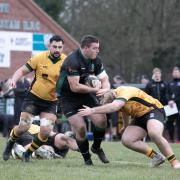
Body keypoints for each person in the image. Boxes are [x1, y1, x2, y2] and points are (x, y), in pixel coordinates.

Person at [78, 86, 180, 169]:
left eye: (110, 103)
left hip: (153, 110)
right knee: (127, 140)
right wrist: (125, 126)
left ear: (113, 98)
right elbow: (124, 111)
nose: (110, 105)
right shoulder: (117, 99)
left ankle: (174, 162)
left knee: (154, 133)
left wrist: (92, 110)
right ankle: (156, 157)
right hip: (139, 117)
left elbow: (116, 106)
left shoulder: (124, 91)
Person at [3, 35, 67, 162]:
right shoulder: (39, 58)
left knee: (45, 131)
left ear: (62, 48)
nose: (57, 50)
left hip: (51, 102)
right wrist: (14, 80)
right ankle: (10, 143)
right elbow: (21, 71)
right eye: (55, 47)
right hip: (33, 99)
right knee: (23, 127)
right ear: (49, 46)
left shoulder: (67, 62)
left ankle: (27, 154)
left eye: (60, 47)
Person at [56, 35, 111, 165]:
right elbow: (75, 87)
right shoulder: (72, 61)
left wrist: (105, 89)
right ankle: (87, 160)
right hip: (67, 98)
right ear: (85, 48)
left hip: (85, 95)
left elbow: (105, 79)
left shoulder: (96, 60)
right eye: (95, 48)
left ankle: (96, 147)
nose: (97, 51)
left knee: (102, 120)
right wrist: (95, 90)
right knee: (81, 128)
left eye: (98, 48)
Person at [11, 123, 79, 159]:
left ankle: (21, 153)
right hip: (29, 135)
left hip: (47, 141)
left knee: (59, 139)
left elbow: (51, 134)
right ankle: (24, 153)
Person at [166, 66, 180, 142]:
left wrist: (174, 100)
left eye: (177, 72)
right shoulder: (169, 83)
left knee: (179, 123)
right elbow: (167, 93)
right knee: (170, 123)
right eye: (174, 72)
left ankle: (179, 140)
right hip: (170, 106)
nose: (175, 73)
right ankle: (171, 139)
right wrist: (169, 100)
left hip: (179, 106)